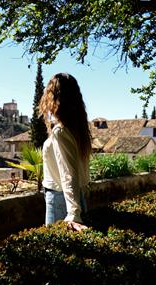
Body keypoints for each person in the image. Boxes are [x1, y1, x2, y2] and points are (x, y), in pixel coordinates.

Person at [39, 73, 92, 232]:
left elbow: (69, 173)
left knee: (56, 250)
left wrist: (73, 214)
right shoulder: (76, 130)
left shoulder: (61, 132)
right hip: (75, 197)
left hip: (60, 199)